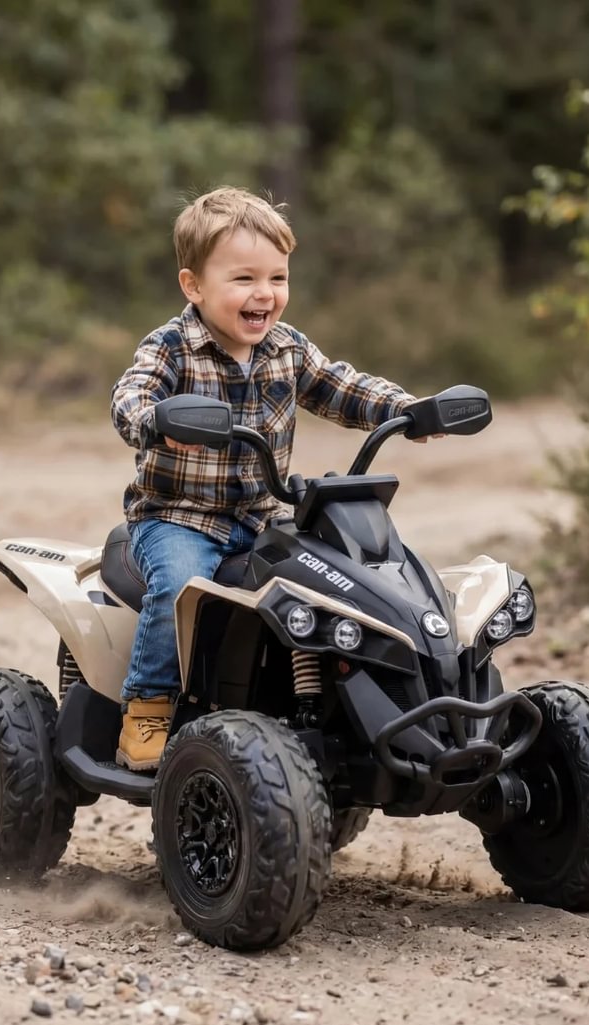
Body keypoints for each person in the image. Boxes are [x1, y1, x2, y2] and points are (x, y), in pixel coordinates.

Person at [110, 186, 426, 770]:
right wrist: (155, 421)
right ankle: (147, 708)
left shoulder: (286, 348)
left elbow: (339, 385)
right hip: (179, 518)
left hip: (262, 518)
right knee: (180, 585)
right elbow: (130, 398)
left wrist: (405, 409)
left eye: (277, 278)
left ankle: (340, 709)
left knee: (344, 579)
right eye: (243, 280)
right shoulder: (172, 348)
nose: (265, 295)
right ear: (193, 286)